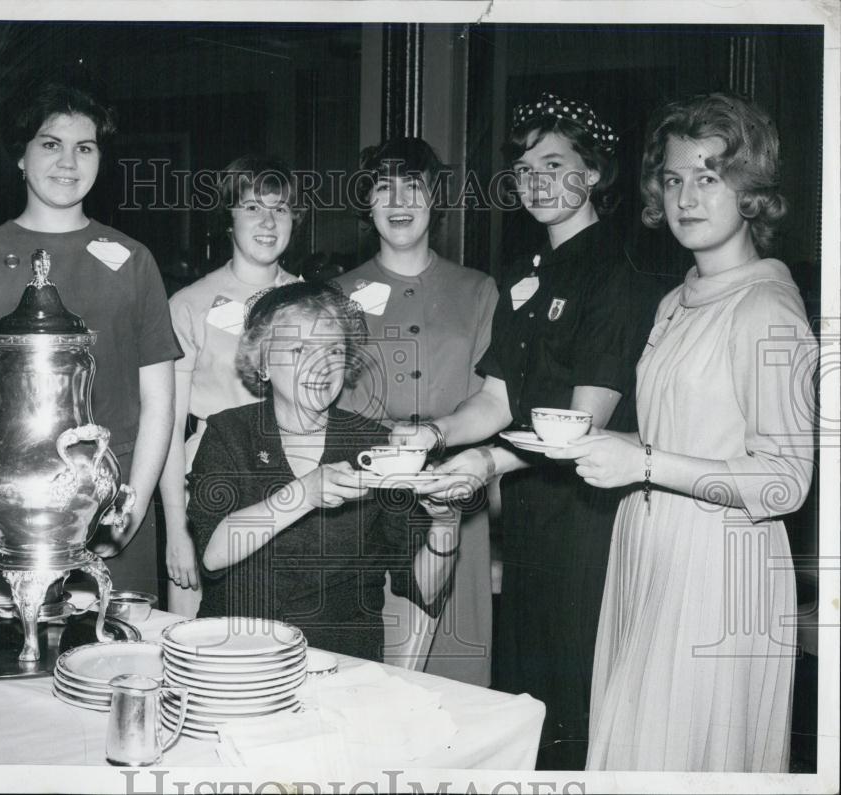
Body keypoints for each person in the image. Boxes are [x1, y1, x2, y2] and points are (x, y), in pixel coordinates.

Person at [546, 92, 814, 772]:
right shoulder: (677, 296)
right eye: (673, 179)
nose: (686, 196)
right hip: (651, 548)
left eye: (709, 175)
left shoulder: (768, 309)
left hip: (722, 567)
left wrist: (644, 462)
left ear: (750, 190)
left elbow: (786, 481)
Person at [396, 94, 659, 768]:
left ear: (595, 172)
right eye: (523, 167)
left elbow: (582, 425)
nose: (535, 180)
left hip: (592, 521)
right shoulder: (525, 275)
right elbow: (496, 399)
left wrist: (484, 463)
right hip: (534, 517)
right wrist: (433, 431)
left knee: (575, 692)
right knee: (529, 688)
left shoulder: (617, 279)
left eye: (555, 164)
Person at [0, 69, 180, 594]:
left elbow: (159, 403)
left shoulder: (134, 261)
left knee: (118, 664)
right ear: (21, 157)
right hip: (15, 517)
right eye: (51, 144)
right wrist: (34, 493)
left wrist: (120, 503)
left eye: (84, 148)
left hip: (118, 507)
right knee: (14, 660)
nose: (68, 162)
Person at [187, 282, 460, 660]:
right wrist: (304, 493)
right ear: (263, 363)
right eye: (300, 349)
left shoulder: (378, 447)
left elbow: (424, 591)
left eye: (334, 350)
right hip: (236, 652)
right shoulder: (229, 433)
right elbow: (214, 554)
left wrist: (446, 525)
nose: (321, 366)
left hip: (339, 658)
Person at [334, 137, 498, 685]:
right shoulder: (337, 294)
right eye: (384, 187)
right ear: (367, 202)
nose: (399, 200)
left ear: (436, 201)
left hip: (451, 489)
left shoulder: (478, 291)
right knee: (367, 665)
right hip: (363, 496)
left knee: (456, 662)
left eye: (414, 187)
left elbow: (491, 399)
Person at [159, 155, 302, 618]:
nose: (267, 221)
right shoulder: (188, 305)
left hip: (292, 486)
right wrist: (178, 532)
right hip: (211, 489)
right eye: (252, 208)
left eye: (280, 209)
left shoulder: (312, 303)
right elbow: (167, 430)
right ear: (229, 217)